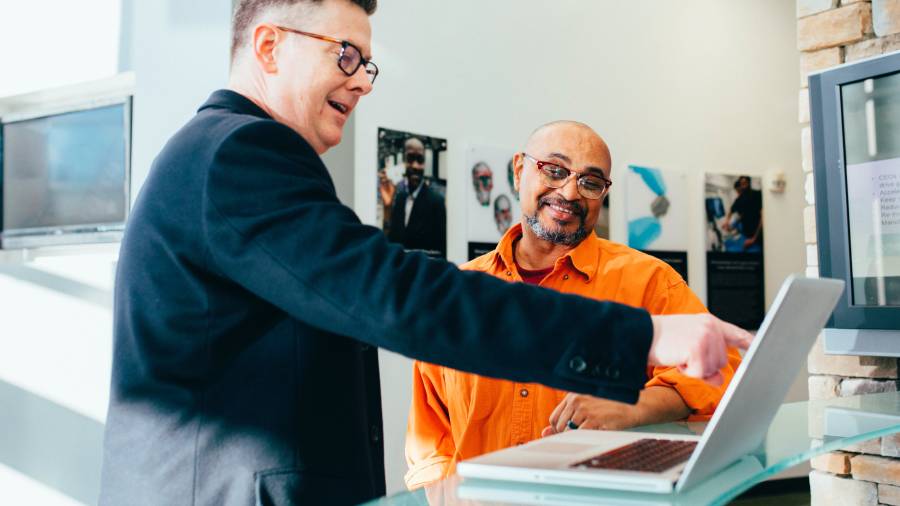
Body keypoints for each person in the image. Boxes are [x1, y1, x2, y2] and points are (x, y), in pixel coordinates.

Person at [99, 1, 752, 505]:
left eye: (367, 63)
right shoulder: (239, 156)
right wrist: (642, 337)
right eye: (346, 56)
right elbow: (399, 296)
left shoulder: (223, 156)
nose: (362, 82)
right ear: (269, 46)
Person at [404, 121, 743, 489]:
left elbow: (723, 372)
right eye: (554, 170)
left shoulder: (649, 281)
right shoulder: (460, 293)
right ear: (519, 171)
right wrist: (442, 495)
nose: (569, 192)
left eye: (590, 182)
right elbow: (430, 437)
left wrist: (632, 406)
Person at [380, 137, 447, 257]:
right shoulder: (400, 197)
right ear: (403, 161)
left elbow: (440, 253)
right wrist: (387, 208)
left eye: (420, 160)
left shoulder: (436, 202)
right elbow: (390, 242)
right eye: (410, 159)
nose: (415, 166)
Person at [723, 175, 763, 252]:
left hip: (757, 237)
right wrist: (727, 221)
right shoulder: (739, 199)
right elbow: (732, 210)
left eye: (745, 183)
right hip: (746, 235)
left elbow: (763, 218)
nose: (743, 186)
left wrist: (754, 239)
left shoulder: (757, 194)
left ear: (749, 183)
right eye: (741, 184)